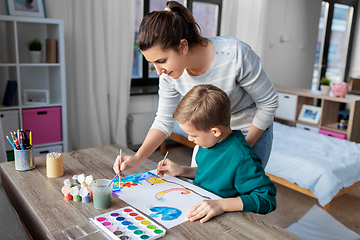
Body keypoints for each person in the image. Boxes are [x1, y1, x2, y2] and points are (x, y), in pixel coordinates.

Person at [113, 1, 278, 176]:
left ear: (183, 46)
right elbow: (163, 121)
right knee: (201, 187)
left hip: (249, 129)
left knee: (239, 191)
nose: (159, 70)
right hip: (207, 133)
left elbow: (268, 102)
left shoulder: (235, 54)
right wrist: (137, 158)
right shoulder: (169, 75)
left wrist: (241, 149)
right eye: (152, 63)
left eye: (161, 61)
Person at [156, 84, 277, 223]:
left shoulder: (242, 157)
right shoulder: (209, 142)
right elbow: (212, 173)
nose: (190, 139)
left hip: (224, 221)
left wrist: (222, 204)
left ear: (215, 131)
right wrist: (181, 170)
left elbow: (267, 198)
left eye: (193, 135)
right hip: (200, 207)